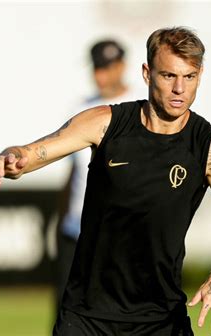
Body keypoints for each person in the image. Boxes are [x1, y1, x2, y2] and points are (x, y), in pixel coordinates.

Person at [0, 27, 211, 335]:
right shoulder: (105, 123)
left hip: (162, 319)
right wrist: (12, 158)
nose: (179, 89)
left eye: (190, 77)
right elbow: (33, 152)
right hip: (87, 318)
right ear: (147, 73)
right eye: (169, 76)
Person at [56, 39, 136, 312]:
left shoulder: (141, 107)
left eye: (107, 67)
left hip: (119, 234)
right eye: (97, 68)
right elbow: (73, 171)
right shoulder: (81, 107)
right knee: (66, 313)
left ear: (122, 66)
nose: (100, 75)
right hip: (75, 230)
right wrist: (61, 220)